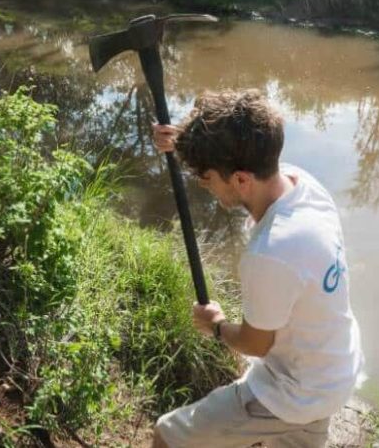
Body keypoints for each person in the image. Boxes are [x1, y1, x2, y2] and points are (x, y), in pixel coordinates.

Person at [149, 90, 364, 448]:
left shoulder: (271, 253)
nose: (205, 187)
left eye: (207, 179)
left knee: (168, 435)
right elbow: (239, 143)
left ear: (242, 180)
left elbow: (255, 343)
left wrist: (215, 326)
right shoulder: (304, 186)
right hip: (334, 371)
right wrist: (182, 142)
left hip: (291, 393)